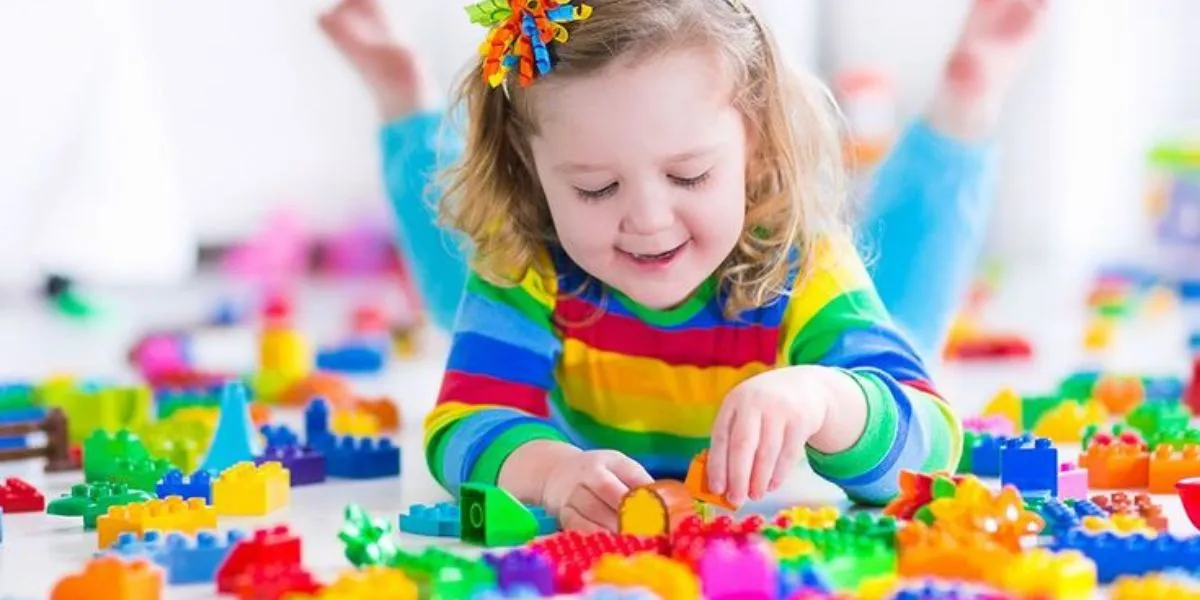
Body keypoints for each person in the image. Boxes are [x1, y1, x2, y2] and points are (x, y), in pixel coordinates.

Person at [323, 0, 1046, 530]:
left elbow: (931, 445)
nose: (648, 219)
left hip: (797, 301)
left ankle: (964, 104)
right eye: (596, 187)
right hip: (537, 282)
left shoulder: (802, 264)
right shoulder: (529, 262)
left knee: (907, 318)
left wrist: (824, 399)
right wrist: (551, 470)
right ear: (532, 170)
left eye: (689, 176)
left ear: (754, 143)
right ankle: (405, 101)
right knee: (462, 268)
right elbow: (463, 424)